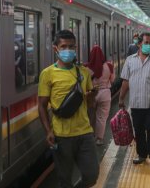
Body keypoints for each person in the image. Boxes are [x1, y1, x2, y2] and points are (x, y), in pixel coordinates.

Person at [38, 30, 99, 188]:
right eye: (63, 46)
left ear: (76, 48)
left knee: (91, 175)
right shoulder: (48, 74)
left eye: (71, 47)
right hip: (61, 135)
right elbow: (42, 105)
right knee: (64, 179)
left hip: (84, 133)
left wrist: (92, 96)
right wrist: (48, 131)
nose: (68, 50)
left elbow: (90, 104)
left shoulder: (84, 73)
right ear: (55, 49)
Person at [119, 32, 150, 165]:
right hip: (135, 102)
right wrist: (121, 98)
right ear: (139, 43)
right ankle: (142, 154)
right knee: (139, 130)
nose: (149, 45)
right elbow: (125, 81)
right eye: (146, 43)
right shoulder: (130, 60)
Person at [86, 45, 115, 146]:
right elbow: (112, 80)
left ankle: (90, 137)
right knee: (101, 118)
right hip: (105, 93)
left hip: (91, 94)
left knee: (90, 117)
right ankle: (99, 138)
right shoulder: (109, 66)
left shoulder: (87, 68)